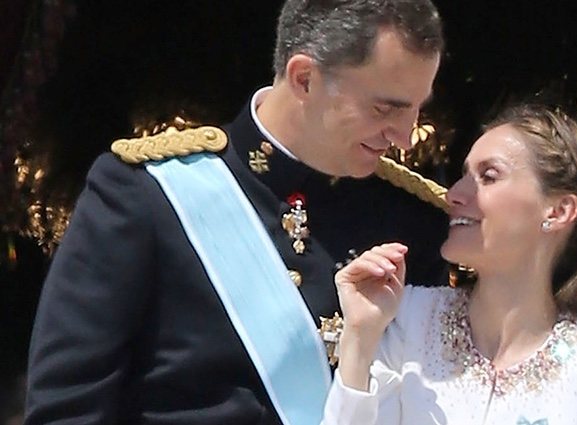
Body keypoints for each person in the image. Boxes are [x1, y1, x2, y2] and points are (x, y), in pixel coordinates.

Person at [25, 1, 447, 424]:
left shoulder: (413, 220)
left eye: (416, 109)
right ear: (305, 79)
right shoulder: (146, 195)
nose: (406, 139)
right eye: (385, 109)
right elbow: (68, 405)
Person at [323, 104, 577, 425]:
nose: (455, 195)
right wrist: (359, 340)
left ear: (558, 210)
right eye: (464, 175)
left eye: (488, 176)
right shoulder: (405, 317)